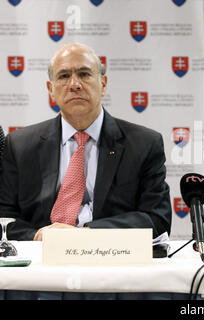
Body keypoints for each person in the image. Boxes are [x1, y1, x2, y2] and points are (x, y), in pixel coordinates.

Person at [0, 43, 172, 241]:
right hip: (41, 259)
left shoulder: (144, 144)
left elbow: (157, 218)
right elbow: (4, 216)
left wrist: (86, 235)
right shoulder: (20, 145)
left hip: (112, 259)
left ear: (103, 84)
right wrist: (38, 236)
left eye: (84, 74)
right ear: (51, 89)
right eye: (64, 76)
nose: (75, 84)